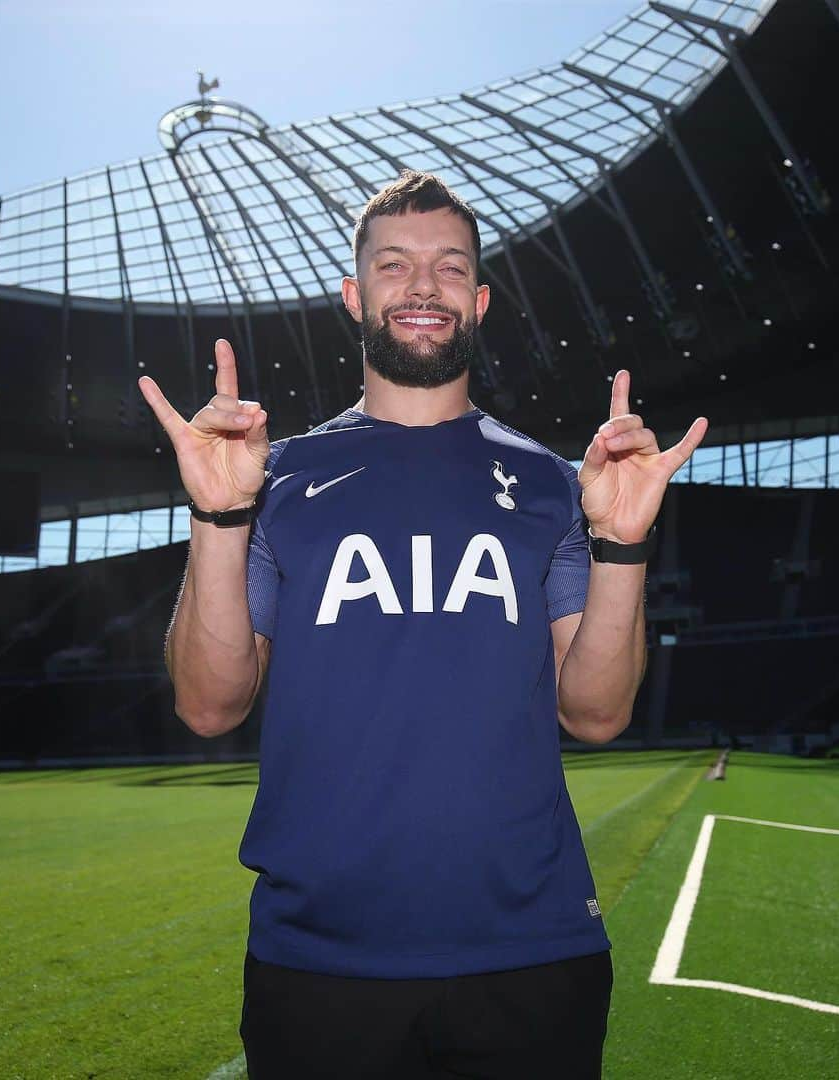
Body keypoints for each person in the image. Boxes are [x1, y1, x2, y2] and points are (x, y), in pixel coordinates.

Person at [139, 170, 707, 1079]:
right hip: (318, 961)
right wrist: (216, 517)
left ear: (477, 301)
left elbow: (597, 713)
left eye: (450, 268)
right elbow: (209, 705)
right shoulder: (270, 478)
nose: (423, 286)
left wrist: (622, 543)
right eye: (395, 265)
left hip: (533, 950)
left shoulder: (558, 485)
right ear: (356, 297)